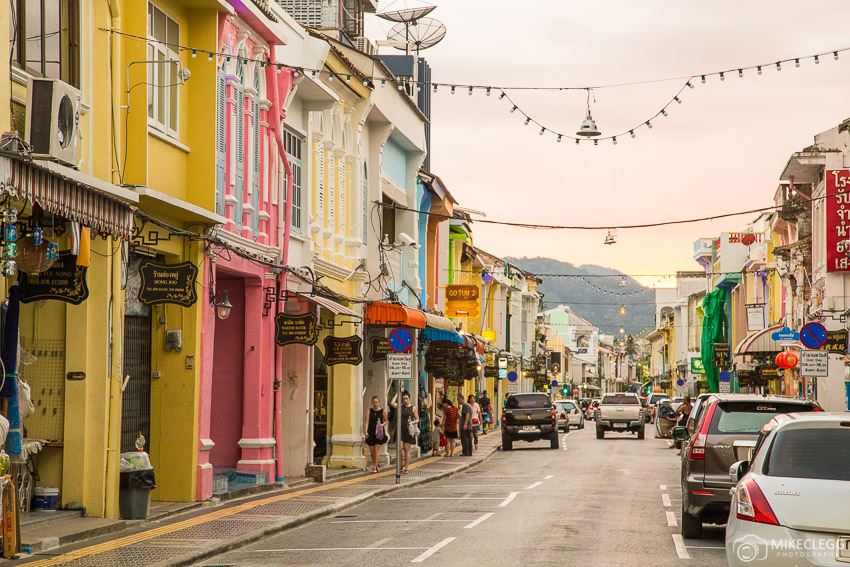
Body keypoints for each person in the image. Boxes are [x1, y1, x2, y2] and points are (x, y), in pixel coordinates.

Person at [390, 390, 419, 474]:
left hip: (408, 430)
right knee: (399, 449)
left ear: (409, 399)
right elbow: (392, 403)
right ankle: (401, 465)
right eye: (403, 399)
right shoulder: (400, 406)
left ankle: (406, 467)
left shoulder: (413, 408)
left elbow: (417, 419)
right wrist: (397, 394)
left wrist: (412, 422)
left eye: (406, 398)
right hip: (400, 430)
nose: (405, 400)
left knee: (407, 449)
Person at [364, 396, 389, 473]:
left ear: (379, 402)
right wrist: (366, 431)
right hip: (371, 431)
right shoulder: (369, 411)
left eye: (376, 402)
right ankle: (376, 464)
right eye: (374, 402)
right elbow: (366, 422)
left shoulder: (382, 411)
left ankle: (374, 467)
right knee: (371, 451)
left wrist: (382, 425)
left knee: (376, 449)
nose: (375, 404)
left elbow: (386, 421)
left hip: (379, 432)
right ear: (372, 403)